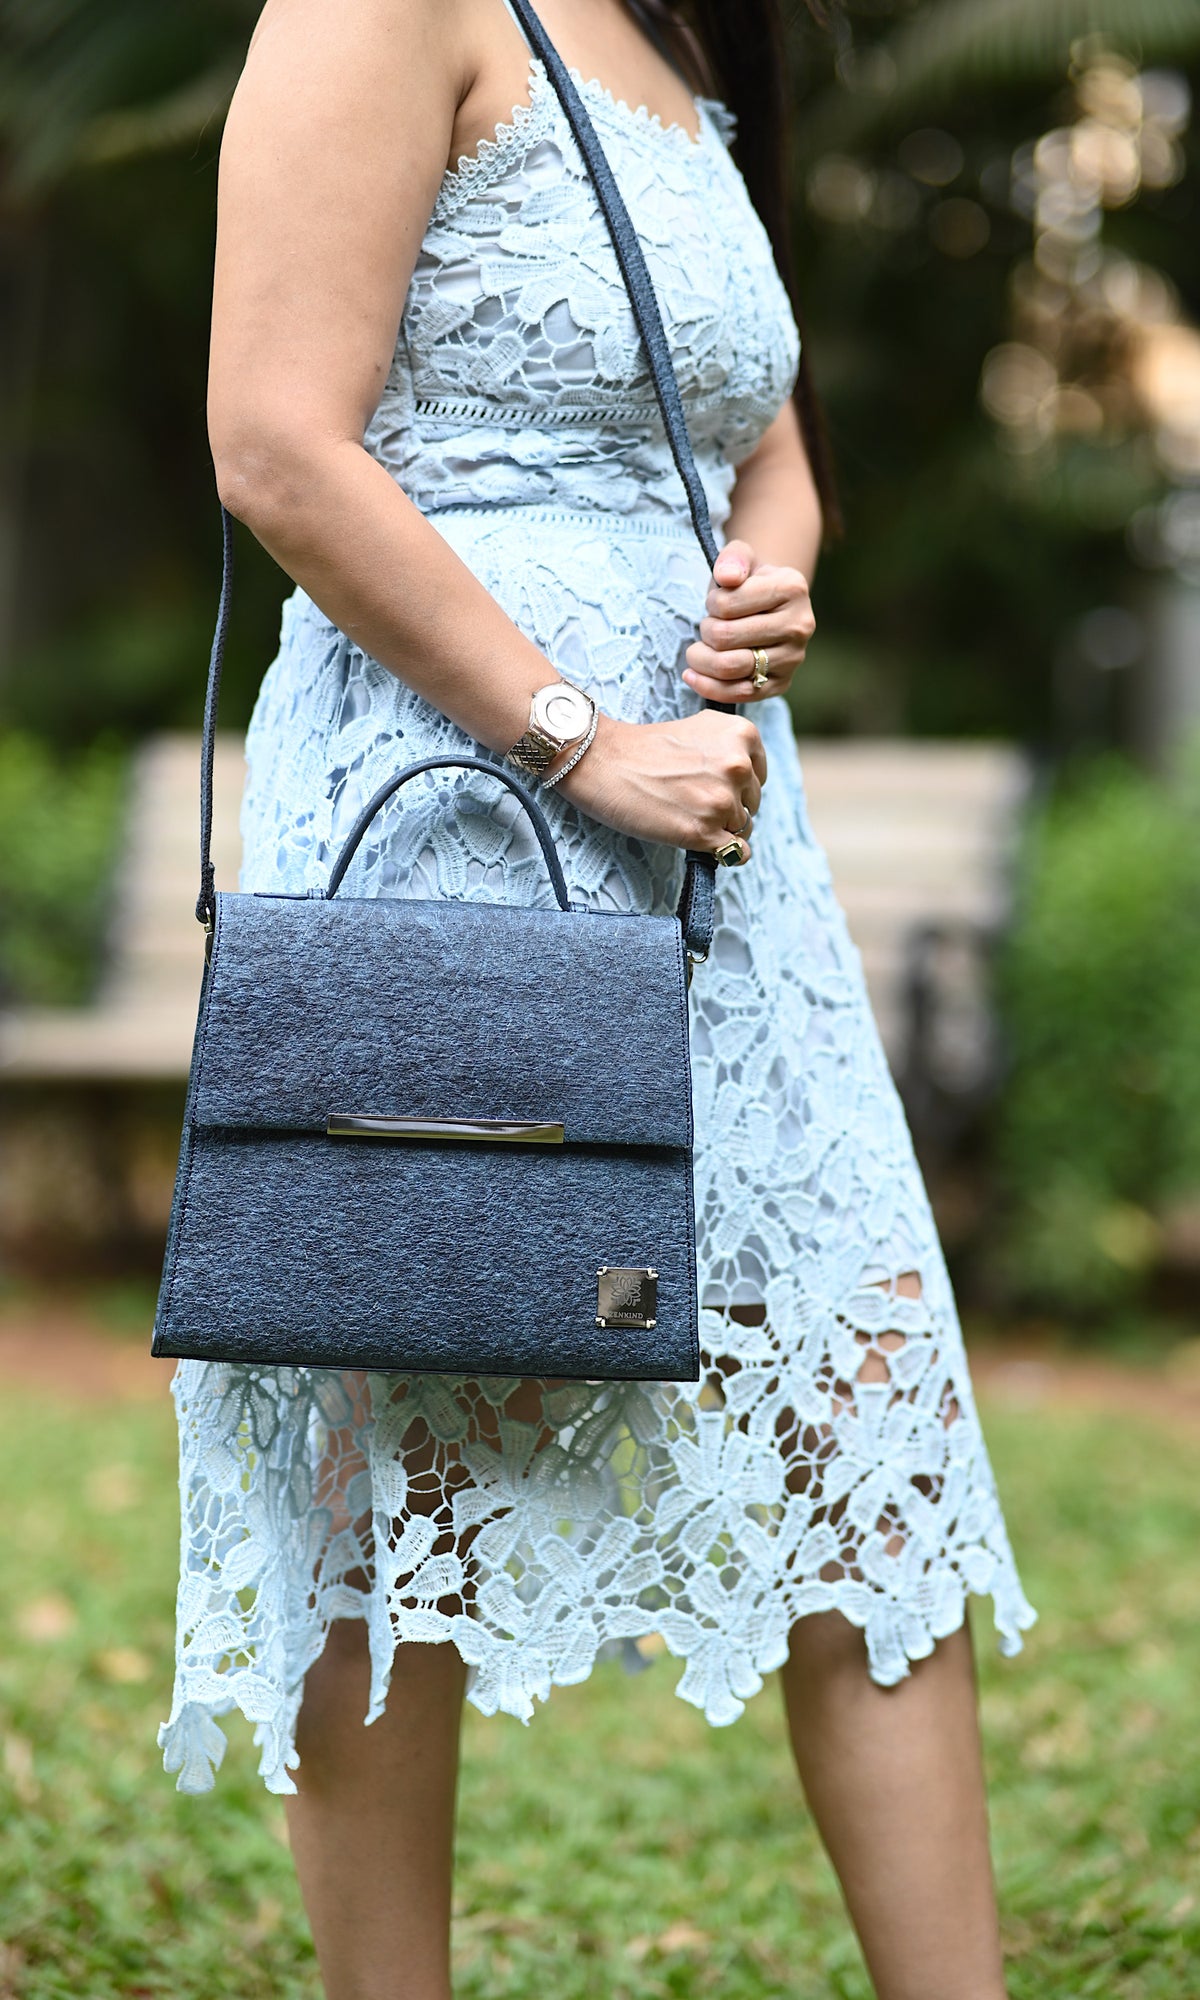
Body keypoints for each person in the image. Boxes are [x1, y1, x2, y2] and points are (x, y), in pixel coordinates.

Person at [160, 2, 1036, 1995]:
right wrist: (577, 735)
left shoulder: (680, 47)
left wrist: (777, 571)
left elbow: (762, 447)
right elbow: (273, 440)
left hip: (723, 847)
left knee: (865, 1413)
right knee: (386, 1441)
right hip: (455, 804)